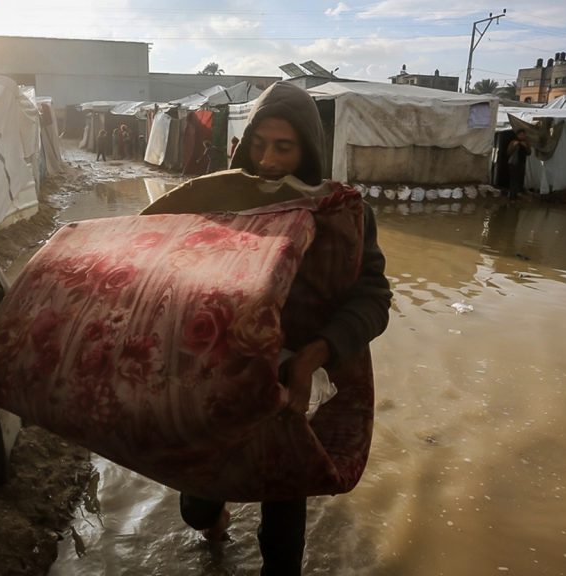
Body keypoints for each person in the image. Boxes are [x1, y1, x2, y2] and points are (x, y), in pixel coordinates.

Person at [177, 81, 391, 576]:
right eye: (258, 143)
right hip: (224, 373)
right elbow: (180, 274)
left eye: (284, 147)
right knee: (198, 506)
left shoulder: (345, 217)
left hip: (297, 378)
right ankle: (215, 524)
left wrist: (314, 356)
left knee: (283, 532)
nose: (268, 160)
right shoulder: (221, 202)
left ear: (309, 150)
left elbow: (374, 298)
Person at [506, 129, 531, 200]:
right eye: (521, 134)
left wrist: (526, 146)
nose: (523, 136)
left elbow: (529, 153)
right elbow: (508, 152)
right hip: (513, 163)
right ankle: (512, 196)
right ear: (518, 135)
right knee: (513, 180)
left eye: (524, 134)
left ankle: (517, 194)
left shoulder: (526, 143)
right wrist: (514, 146)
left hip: (521, 163)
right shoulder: (513, 142)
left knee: (520, 179)